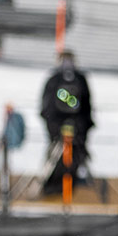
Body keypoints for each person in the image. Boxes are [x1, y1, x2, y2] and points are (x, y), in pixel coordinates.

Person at [40, 49, 94, 184]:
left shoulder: (61, 79)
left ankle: (66, 181)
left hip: (69, 127)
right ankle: (58, 182)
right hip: (69, 127)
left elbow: (46, 106)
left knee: (70, 154)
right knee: (59, 155)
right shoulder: (73, 80)